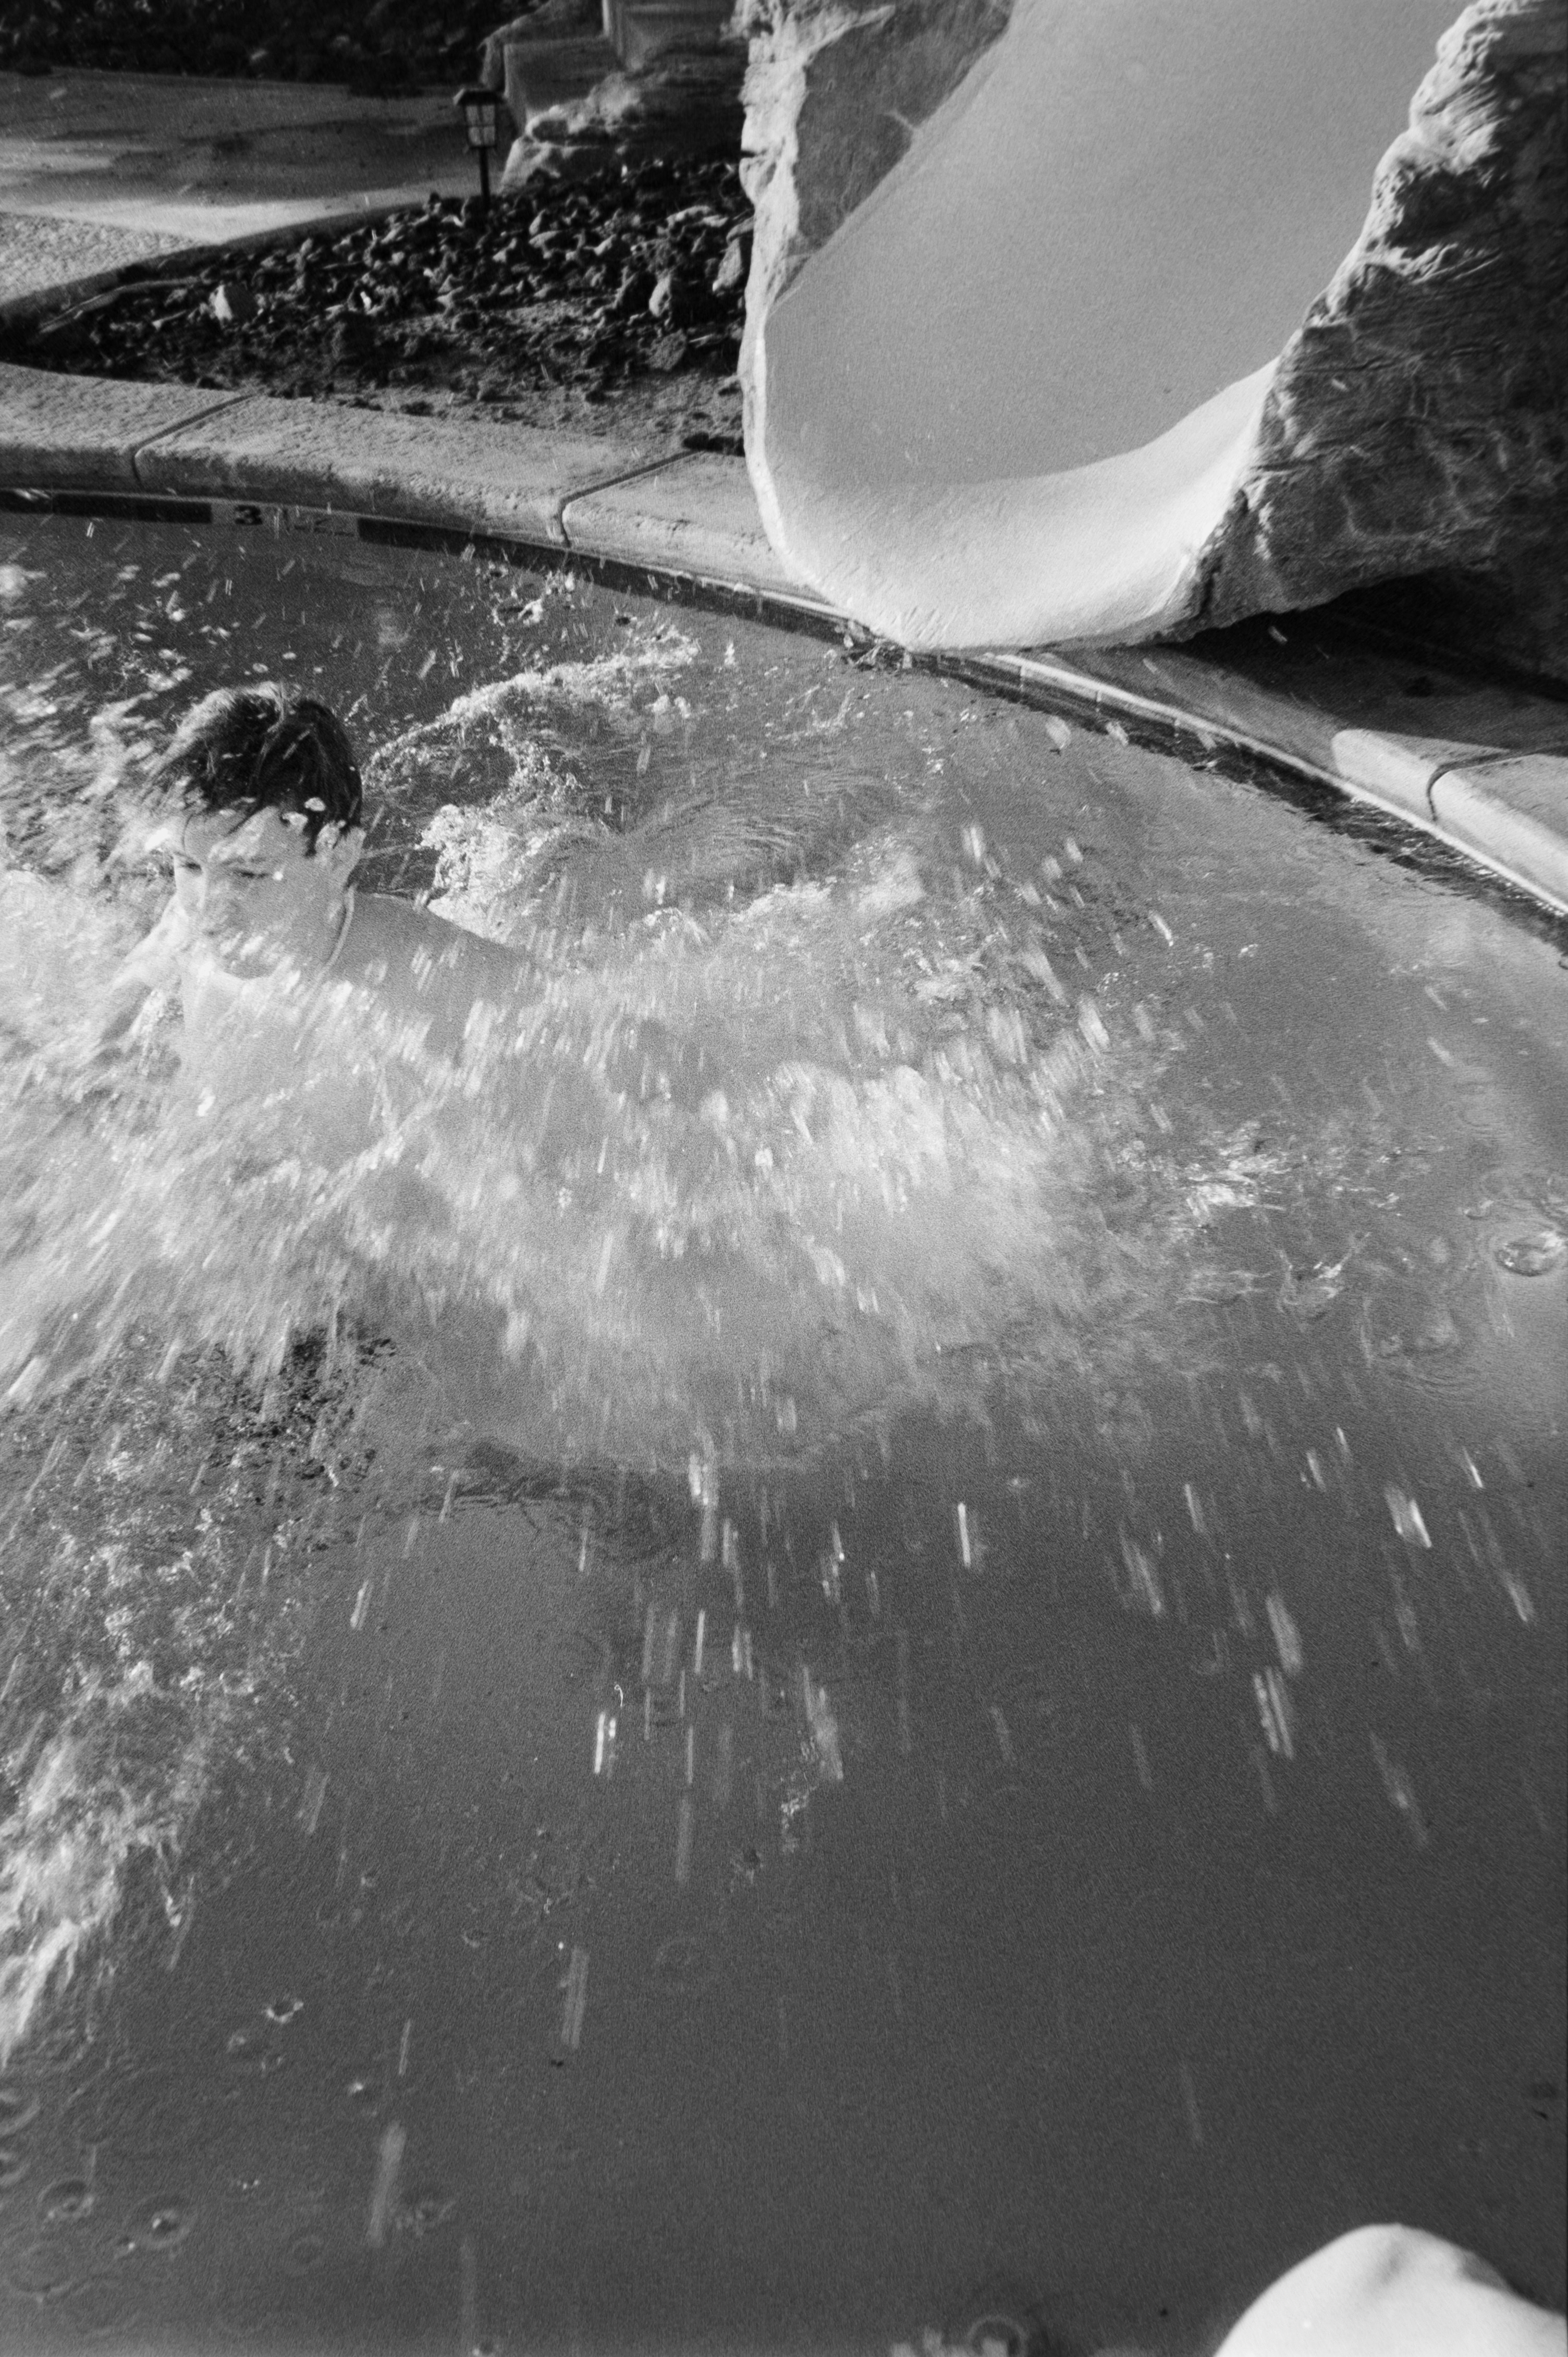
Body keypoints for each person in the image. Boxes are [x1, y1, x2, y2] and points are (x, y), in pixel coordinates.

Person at [107, 682, 531, 1073]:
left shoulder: (437, 976)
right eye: (189, 865)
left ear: (338, 853)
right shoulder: (187, 925)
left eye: (248, 872)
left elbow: (587, 1023)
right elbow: (92, 1050)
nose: (207, 907)